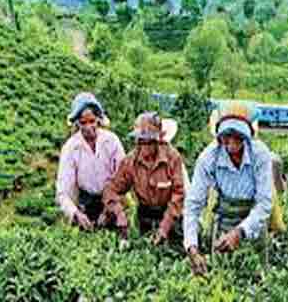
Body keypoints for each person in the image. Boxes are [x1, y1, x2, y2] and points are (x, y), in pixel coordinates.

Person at [184, 101, 273, 276]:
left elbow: (264, 204)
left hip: (253, 223)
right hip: (224, 221)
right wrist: (192, 249)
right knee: (222, 276)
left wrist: (239, 232)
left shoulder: (260, 154)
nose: (231, 143)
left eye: (237, 136)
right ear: (219, 137)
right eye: (226, 136)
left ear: (246, 136)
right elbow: (193, 205)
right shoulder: (208, 158)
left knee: (257, 278)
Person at [102, 112, 185, 246]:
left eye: (149, 142)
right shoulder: (130, 161)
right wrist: (119, 213)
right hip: (145, 216)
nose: (144, 146)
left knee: (173, 249)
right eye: (140, 141)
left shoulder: (172, 158)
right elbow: (111, 190)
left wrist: (164, 228)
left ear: (158, 140)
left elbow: (178, 195)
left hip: (170, 216)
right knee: (143, 247)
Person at [56, 92, 125, 231]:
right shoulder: (71, 148)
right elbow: (63, 191)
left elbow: (123, 176)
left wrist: (109, 209)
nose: (88, 127)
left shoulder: (111, 141)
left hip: (112, 198)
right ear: (77, 123)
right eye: (83, 123)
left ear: (98, 120)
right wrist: (76, 214)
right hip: (86, 203)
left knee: (117, 233)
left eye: (92, 121)